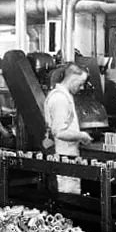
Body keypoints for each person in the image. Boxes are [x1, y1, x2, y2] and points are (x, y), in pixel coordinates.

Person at [44, 63, 92, 194]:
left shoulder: (64, 96)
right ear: (72, 79)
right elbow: (59, 132)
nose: (82, 87)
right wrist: (82, 136)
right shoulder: (60, 99)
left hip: (68, 156)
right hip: (63, 156)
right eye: (81, 83)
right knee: (67, 197)